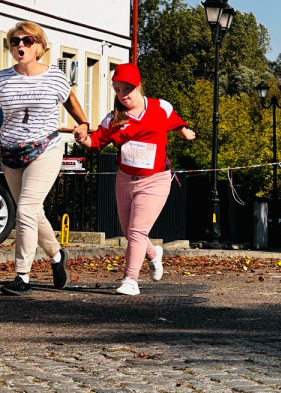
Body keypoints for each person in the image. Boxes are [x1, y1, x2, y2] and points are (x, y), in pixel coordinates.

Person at [0, 21, 89, 296]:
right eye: (15, 42)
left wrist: (83, 122)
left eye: (27, 41)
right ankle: (57, 255)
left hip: (45, 149)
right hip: (10, 152)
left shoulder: (55, 77)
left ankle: (22, 276)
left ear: (39, 46)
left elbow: (70, 100)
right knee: (33, 212)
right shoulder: (0, 79)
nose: (20, 46)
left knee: (24, 210)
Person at [74, 63, 195, 296]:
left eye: (127, 89)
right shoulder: (114, 118)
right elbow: (96, 142)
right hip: (125, 180)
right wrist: (82, 138)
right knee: (129, 231)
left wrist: (184, 132)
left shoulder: (160, 108)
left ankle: (130, 280)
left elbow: (174, 121)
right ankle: (153, 253)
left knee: (137, 231)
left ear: (139, 86)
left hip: (155, 180)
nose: (122, 95)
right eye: (117, 90)